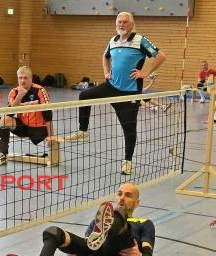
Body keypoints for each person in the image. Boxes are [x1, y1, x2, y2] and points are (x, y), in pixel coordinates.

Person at [62, 12, 167, 175]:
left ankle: (127, 161)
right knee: (84, 96)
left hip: (129, 93)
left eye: (125, 22)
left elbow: (160, 56)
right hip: (111, 87)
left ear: (131, 24)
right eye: (119, 22)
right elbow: (105, 57)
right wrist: (106, 72)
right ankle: (83, 131)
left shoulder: (140, 40)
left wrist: (145, 72)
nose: (121, 24)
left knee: (129, 129)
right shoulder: (113, 40)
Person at [5, 182, 154, 256]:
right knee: (53, 232)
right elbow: (88, 244)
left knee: (118, 214)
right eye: (120, 194)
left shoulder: (144, 224)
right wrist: (75, 248)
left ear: (137, 203)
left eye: (128, 195)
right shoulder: (99, 221)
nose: (121, 198)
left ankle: (112, 229)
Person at [0, 66, 56, 166]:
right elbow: (10, 113)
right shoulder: (14, 92)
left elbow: (48, 114)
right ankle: (2, 155)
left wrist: (51, 135)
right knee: (4, 120)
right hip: (23, 127)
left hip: (39, 129)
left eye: (25, 78)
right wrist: (20, 96)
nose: (22, 81)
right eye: (20, 78)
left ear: (31, 79)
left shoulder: (40, 90)